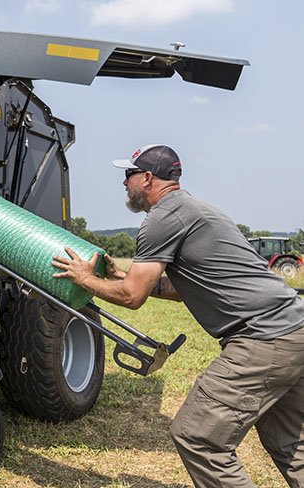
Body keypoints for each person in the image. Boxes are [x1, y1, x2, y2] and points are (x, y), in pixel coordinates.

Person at [51, 144, 304, 487]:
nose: (124, 183)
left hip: (263, 338)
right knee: (290, 444)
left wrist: (85, 278)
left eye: (128, 175)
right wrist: (116, 276)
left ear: (147, 178)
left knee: (198, 436)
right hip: (293, 331)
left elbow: (132, 297)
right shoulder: (196, 210)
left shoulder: (162, 219)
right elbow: (176, 288)